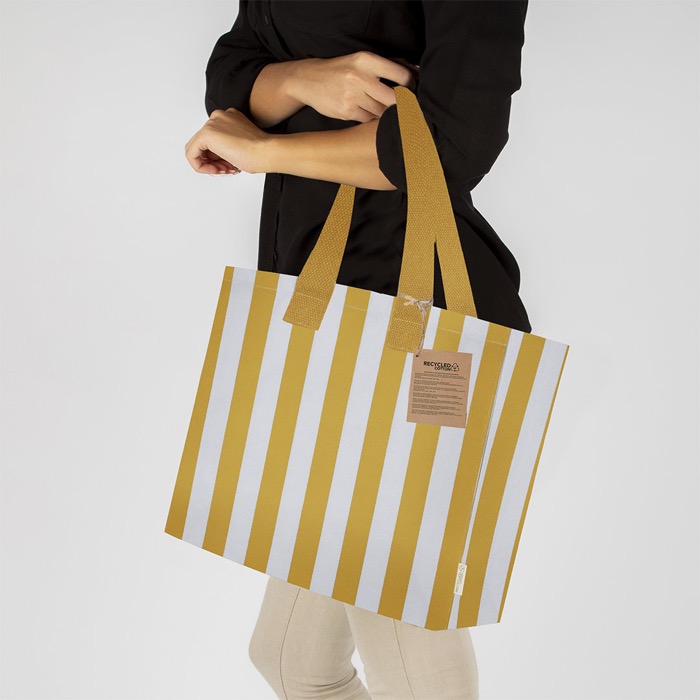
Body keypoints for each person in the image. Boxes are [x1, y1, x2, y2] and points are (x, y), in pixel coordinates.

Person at [184, 1, 530, 697]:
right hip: (317, 306)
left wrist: (267, 151)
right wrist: (303, 79)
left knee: (404, 645)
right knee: (291, 659)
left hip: (420, 319)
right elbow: (233, 69)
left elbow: (454, 141)